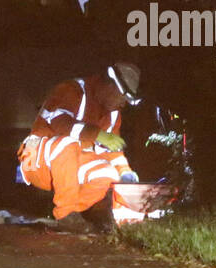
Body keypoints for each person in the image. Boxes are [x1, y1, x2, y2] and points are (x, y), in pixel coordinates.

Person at [17, 62, 142, 233]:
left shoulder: (113, 115)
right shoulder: (70, 90)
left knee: (108, 174)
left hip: (69, 167)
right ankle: (65, 213)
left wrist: (125, 172)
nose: (123, 104)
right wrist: (97, 134)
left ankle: (71, 214)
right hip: (36, 157)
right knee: (68, 144)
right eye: (122, 97)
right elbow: (60, 123)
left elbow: (112, 151)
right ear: (109, 86)